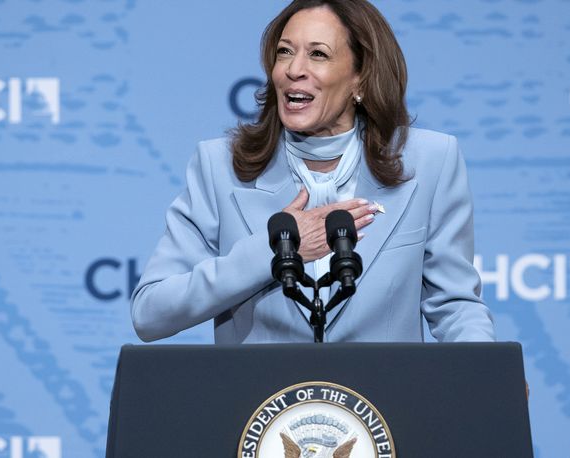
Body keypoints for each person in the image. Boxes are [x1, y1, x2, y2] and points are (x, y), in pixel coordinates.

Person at [130, 0, 495, 343]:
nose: (293, 70)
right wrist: (270, 255)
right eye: (284, 52)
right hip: (259, 406)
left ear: (361, 78)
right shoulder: (219, 167)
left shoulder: (429, 161)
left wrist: (489, 373)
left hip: (383, 406)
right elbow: (152, 312)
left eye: (317, 54)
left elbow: (455, 306)